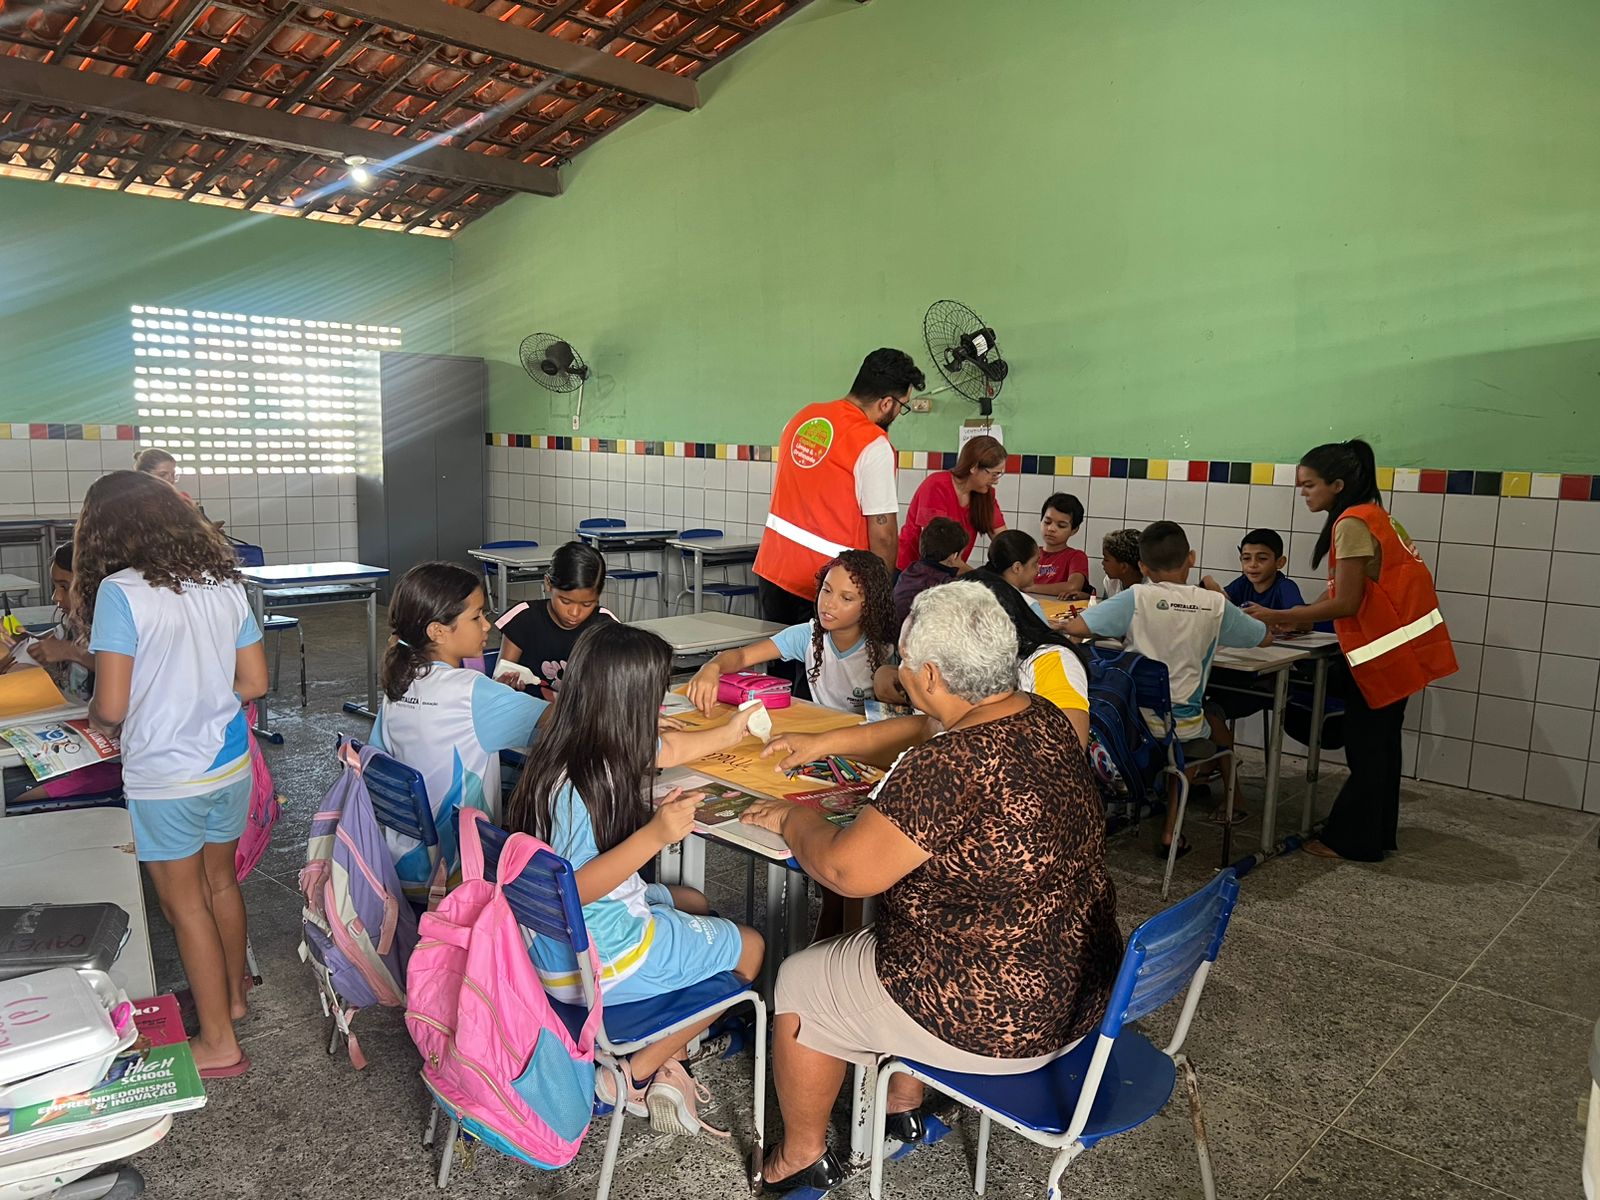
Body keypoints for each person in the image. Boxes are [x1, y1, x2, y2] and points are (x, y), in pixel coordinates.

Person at [736, 584, 1121, 1193]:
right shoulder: (1040, 714)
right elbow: (924, 728)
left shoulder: (949, 764)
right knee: (903, 932)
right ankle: (903, 1105)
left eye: (907, 667)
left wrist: (791, 817)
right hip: (1080, 984)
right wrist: (826, 742)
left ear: (935, 673)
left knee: (802, 980)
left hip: (1002, 1015)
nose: (900, 677)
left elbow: (844, 870)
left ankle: (800, 1158)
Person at [507, 622, 764, 1137]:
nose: (662, 704)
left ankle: (677, 1033)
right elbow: (574, 889)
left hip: (550, 950)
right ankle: (635, 1071)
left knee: (693, 899)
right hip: (602, 958)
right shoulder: (584, 785)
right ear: (629, 703)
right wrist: (655, 833)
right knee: (753, 947)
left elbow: (665, 750)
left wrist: (734, 731)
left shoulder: (571, 746)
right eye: (657, 693)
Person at [76, 470, 268, 1078]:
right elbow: (255, 684)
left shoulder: (120, 593)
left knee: (183, 906)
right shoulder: (224, 585)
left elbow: (111, 705)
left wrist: (99, 717)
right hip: (229, 763)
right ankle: (233, 1001)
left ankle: (217, 1042)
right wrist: (203, 701)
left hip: (168, 776)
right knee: (221, 885)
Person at [1241, 439, 1456, 862]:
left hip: (1383, 655)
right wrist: (1298, 616)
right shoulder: (1376, 517)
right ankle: (1378, 834)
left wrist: (1279, 615)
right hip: (1403, 650)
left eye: (1309, 485)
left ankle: (1352, 842)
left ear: (1337, 484)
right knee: (1383, 748)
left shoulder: (1351, 523)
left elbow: (1347, 603)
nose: (1303, 492)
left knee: (1367, 750)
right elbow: (1345, 588)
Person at [1061, 521, 1271, 855]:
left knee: (1166, 730)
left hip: (1129, 722)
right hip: (1183, 727)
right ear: (1191, 557)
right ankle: (1172, 830)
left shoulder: (1137, 597)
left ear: (1143, 567)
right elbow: (1262, 637)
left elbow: (1077, 626)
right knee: (1203, 720)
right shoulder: (1214, 604)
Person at [371, 562, 547, 893]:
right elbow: (572, 723)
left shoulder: (400, 680)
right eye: (476, 616)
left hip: (401, 864)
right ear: (438, 630)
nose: (487, 625)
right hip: (461, 875)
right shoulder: (470, 690)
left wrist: (502, 702)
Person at [753, 349, 921, 635]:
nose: (897, 414)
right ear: (886, 403)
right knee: (824, 677)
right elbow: (883, 534)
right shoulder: (872, 443)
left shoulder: (803, 418)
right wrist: (880, 598)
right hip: (830, 589)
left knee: (779, 674)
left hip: (774, 571)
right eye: (901, 406)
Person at [687, 550, 897, 717]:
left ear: (869, 606)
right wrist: (712, 667)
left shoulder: (886, 649)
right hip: (818, 733)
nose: (829, 604)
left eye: (847, 598)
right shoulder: (808, 635)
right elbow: (743, 656)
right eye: (826, 590)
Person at [2, 544, 122, 809]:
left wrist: (71, 652)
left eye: (65, 587)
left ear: (93, 586)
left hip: (103, 764)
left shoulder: (115, 627)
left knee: (6, 788)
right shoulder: (73, 624)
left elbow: (128, 673)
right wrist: (24, 645)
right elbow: (50, 641)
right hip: (70, 739)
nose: (56, 597)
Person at [494, 541, 615, 701]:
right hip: (530, 711)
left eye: (587, 604)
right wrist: (506, 684)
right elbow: (499, 682)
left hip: (582, 716)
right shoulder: (523, 618)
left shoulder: (604, 626)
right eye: (565, 601)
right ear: (548, 583)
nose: (574, 613)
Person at [895, 435, 1007, 571]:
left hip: (949, 573)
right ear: (974, 467)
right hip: (913, 573)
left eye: (999, 474)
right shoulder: (936, 486)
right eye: (994, 474)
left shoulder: (985, 494)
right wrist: (979, 578)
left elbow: (1003, 541)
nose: (996, 481)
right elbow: (937, 553)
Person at [891, 517, 966, 633]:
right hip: (919, 643)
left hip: (893, 636)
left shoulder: (908, 571)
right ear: (953, 557)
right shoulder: (947, 586)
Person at [1031, 493, 1091, 597]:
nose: (1051, 529)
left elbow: (1073, 586)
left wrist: (1031, 588)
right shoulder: (1029, 553)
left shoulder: (1076, 556)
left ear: (1074, 530)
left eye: (1061, 526)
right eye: (1047, 522)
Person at [985, 529, 1049, 621]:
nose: (1038, 569)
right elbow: (1045, 635)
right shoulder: (1028, 607)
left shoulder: (976, 594)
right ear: (1017, 568)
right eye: (1035, 563)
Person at [1099, 527, 1143, 597]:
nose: (1102, 563)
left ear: (1124, 567)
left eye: (1106, 559)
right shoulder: (1110, 582)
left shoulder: (1150, 587)